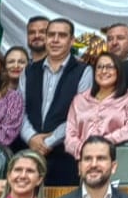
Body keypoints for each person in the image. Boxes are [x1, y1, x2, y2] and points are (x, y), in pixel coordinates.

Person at [20, 17, 93, 186]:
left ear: (72, 40)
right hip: (30, 156)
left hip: (65, 158)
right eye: (51, 34)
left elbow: (80, 115)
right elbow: (19, 110)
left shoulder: (83, 71)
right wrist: (31, 138)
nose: (55, 40)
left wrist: (48, 142)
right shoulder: (29, 71)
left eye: (61, 35)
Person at [64, 51, 128, 158]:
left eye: (109, 67)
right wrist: (84, 149)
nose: (104, 71)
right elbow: (70, 136)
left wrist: (101, 144)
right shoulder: (79, 100)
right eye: (99, 67)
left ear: (118, 71)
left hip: (118, 160)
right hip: (83, 162)